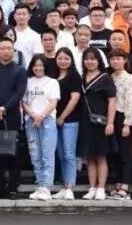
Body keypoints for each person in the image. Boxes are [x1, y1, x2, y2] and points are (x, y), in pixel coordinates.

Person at [0, 37, 26, 199]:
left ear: (13, 50)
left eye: (9, 48)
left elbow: (19, 93)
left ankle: (13, 187)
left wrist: (4, 108)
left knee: (14, 152)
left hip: (12, 115)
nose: (5, 51)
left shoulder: (20, 70)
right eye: (2, 48)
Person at [77, 47, 116, 201]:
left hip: (101, 122)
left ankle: (101, 188)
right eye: (87, 59)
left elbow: (112, 101)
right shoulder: (81, 78)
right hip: (85, 122)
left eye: (93, 59)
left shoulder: (106, 78)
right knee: (89, 157)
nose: (90, 62)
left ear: (99, 60)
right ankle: (92, 187)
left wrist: (110, 123)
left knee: (101, 156)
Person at [22, 54, 59, 201]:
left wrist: (41, 116)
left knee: (47, 154)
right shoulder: (27, 81)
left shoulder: (52, 82)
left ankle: (46, 187)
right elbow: (24, 102)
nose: (38, 68)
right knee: (35, 154)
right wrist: (33, 115)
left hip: (47, 120)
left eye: (41, 65)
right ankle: (39, 184)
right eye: (35, 65)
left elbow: (53, 102)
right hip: (31, 121)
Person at [107, 51, 132, 200]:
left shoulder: (130, 78)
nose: (115, 61)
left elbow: (131, 101)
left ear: (125, 60)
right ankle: (118, 183)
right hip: (111, 117)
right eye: (112, 59)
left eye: (118, 59)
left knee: (125, 153)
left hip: (124, 117)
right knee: (115, 152)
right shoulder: (110, 77)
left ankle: (125, 186)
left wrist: (128, 123)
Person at [52, 47, 81, 200]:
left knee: (69, 154)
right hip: (54, 120)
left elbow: (74, 99)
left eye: (66, 58)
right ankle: (64, 186)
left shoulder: (74, 76)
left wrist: (62, 117)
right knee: (61, 154)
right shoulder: (53, 77)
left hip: (70, 120)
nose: (63, 61)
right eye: (60, 58)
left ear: (71, 60)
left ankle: (70, 187)